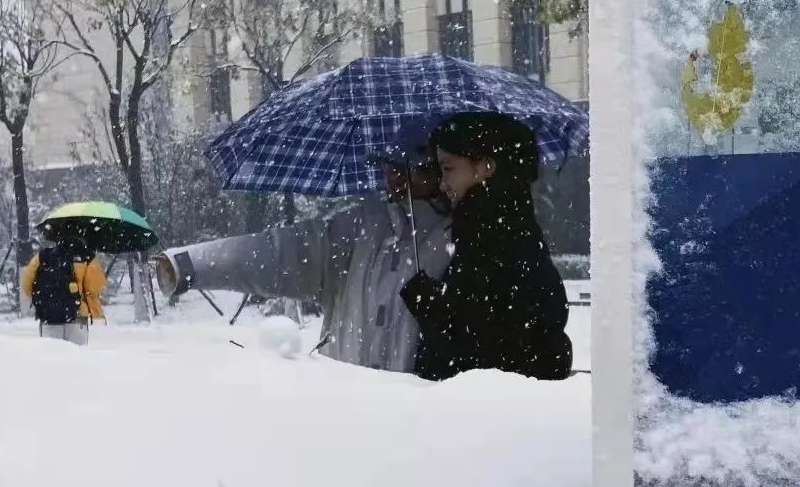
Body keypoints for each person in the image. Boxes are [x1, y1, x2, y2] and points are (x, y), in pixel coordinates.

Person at [153, 121, 453, 373]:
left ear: (436, 171)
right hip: (345, 412)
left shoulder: (465, 239)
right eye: (389, 166)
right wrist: (191, 265)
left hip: (420, 422)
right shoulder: (359, 229)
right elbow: (276, 253)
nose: (391, 178)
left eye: (404, 168)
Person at [401, 111, 573, 381]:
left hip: (490, 411)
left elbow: (474, 348)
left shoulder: (488, 237)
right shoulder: (506, 227)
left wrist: (427, 304)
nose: (443, 184)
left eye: (448, 169)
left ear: (485, 168)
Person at [20, 235, 106, 346]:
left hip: (49, 315)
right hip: (77, 313)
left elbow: (26, 284)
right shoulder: (87, 257)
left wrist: (45, 300)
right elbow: (93, 290)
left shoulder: (43, 256)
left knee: (51, 356)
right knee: (78, 357)